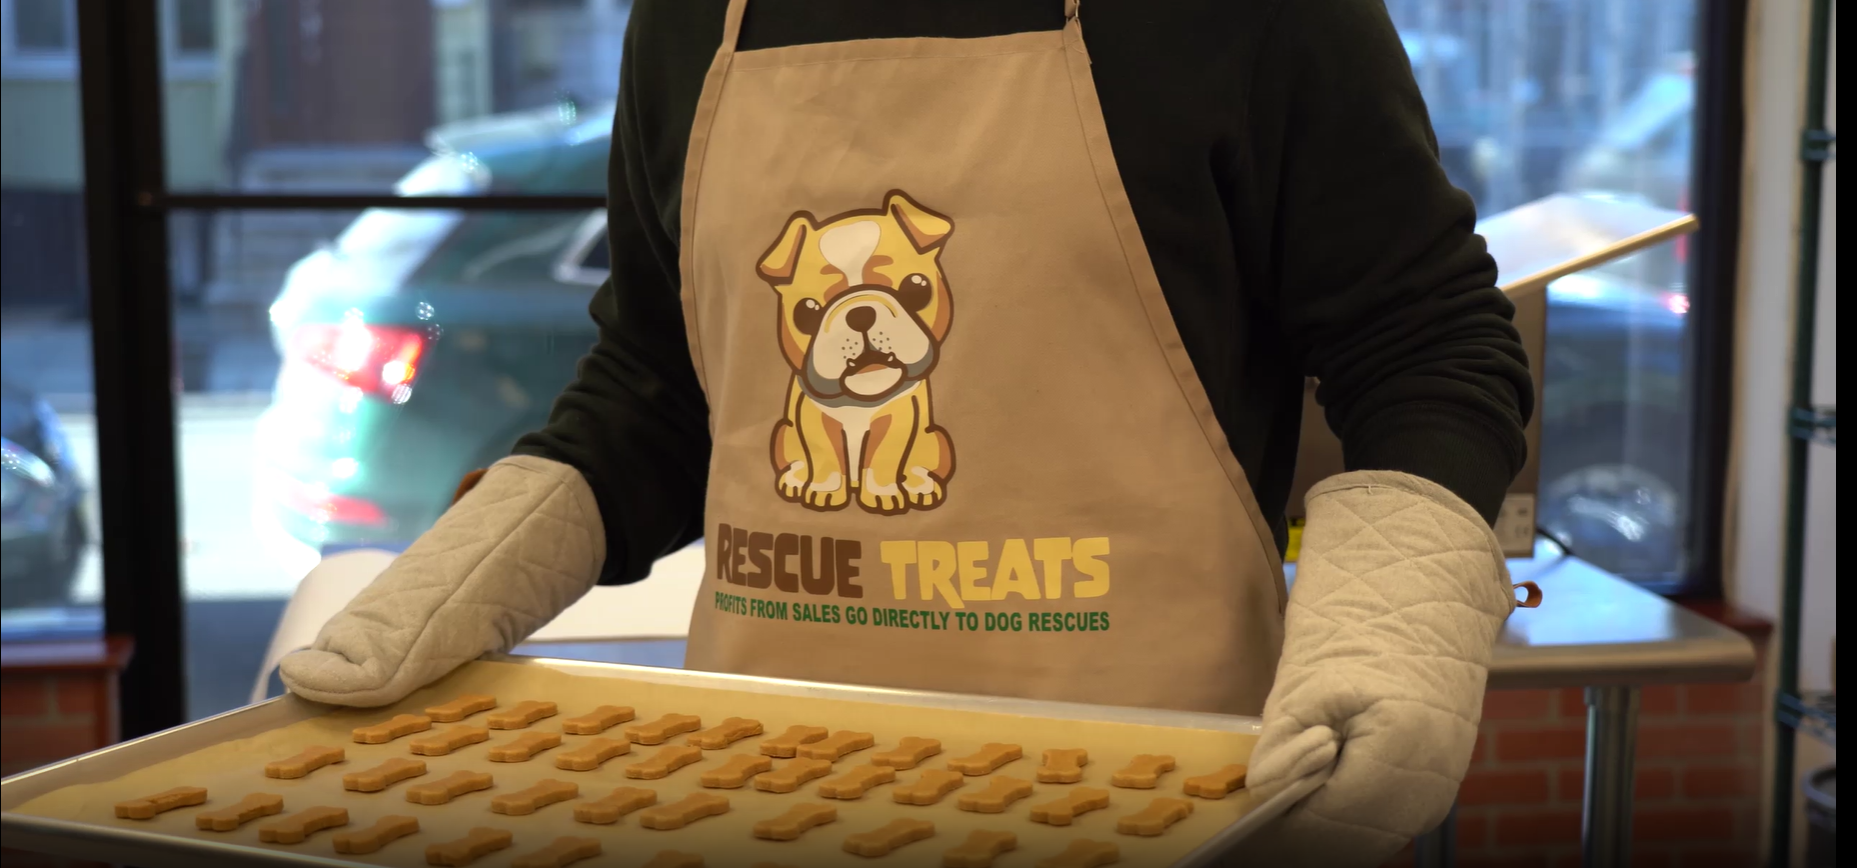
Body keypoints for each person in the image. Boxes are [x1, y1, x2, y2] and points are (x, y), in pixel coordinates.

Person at [282, 0, 1532, 863]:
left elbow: (1422, 340)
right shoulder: (689, 22)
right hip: (754, 792)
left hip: (1155, 801)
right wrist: (470, 568)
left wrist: (1392, 628)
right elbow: (663, 382)